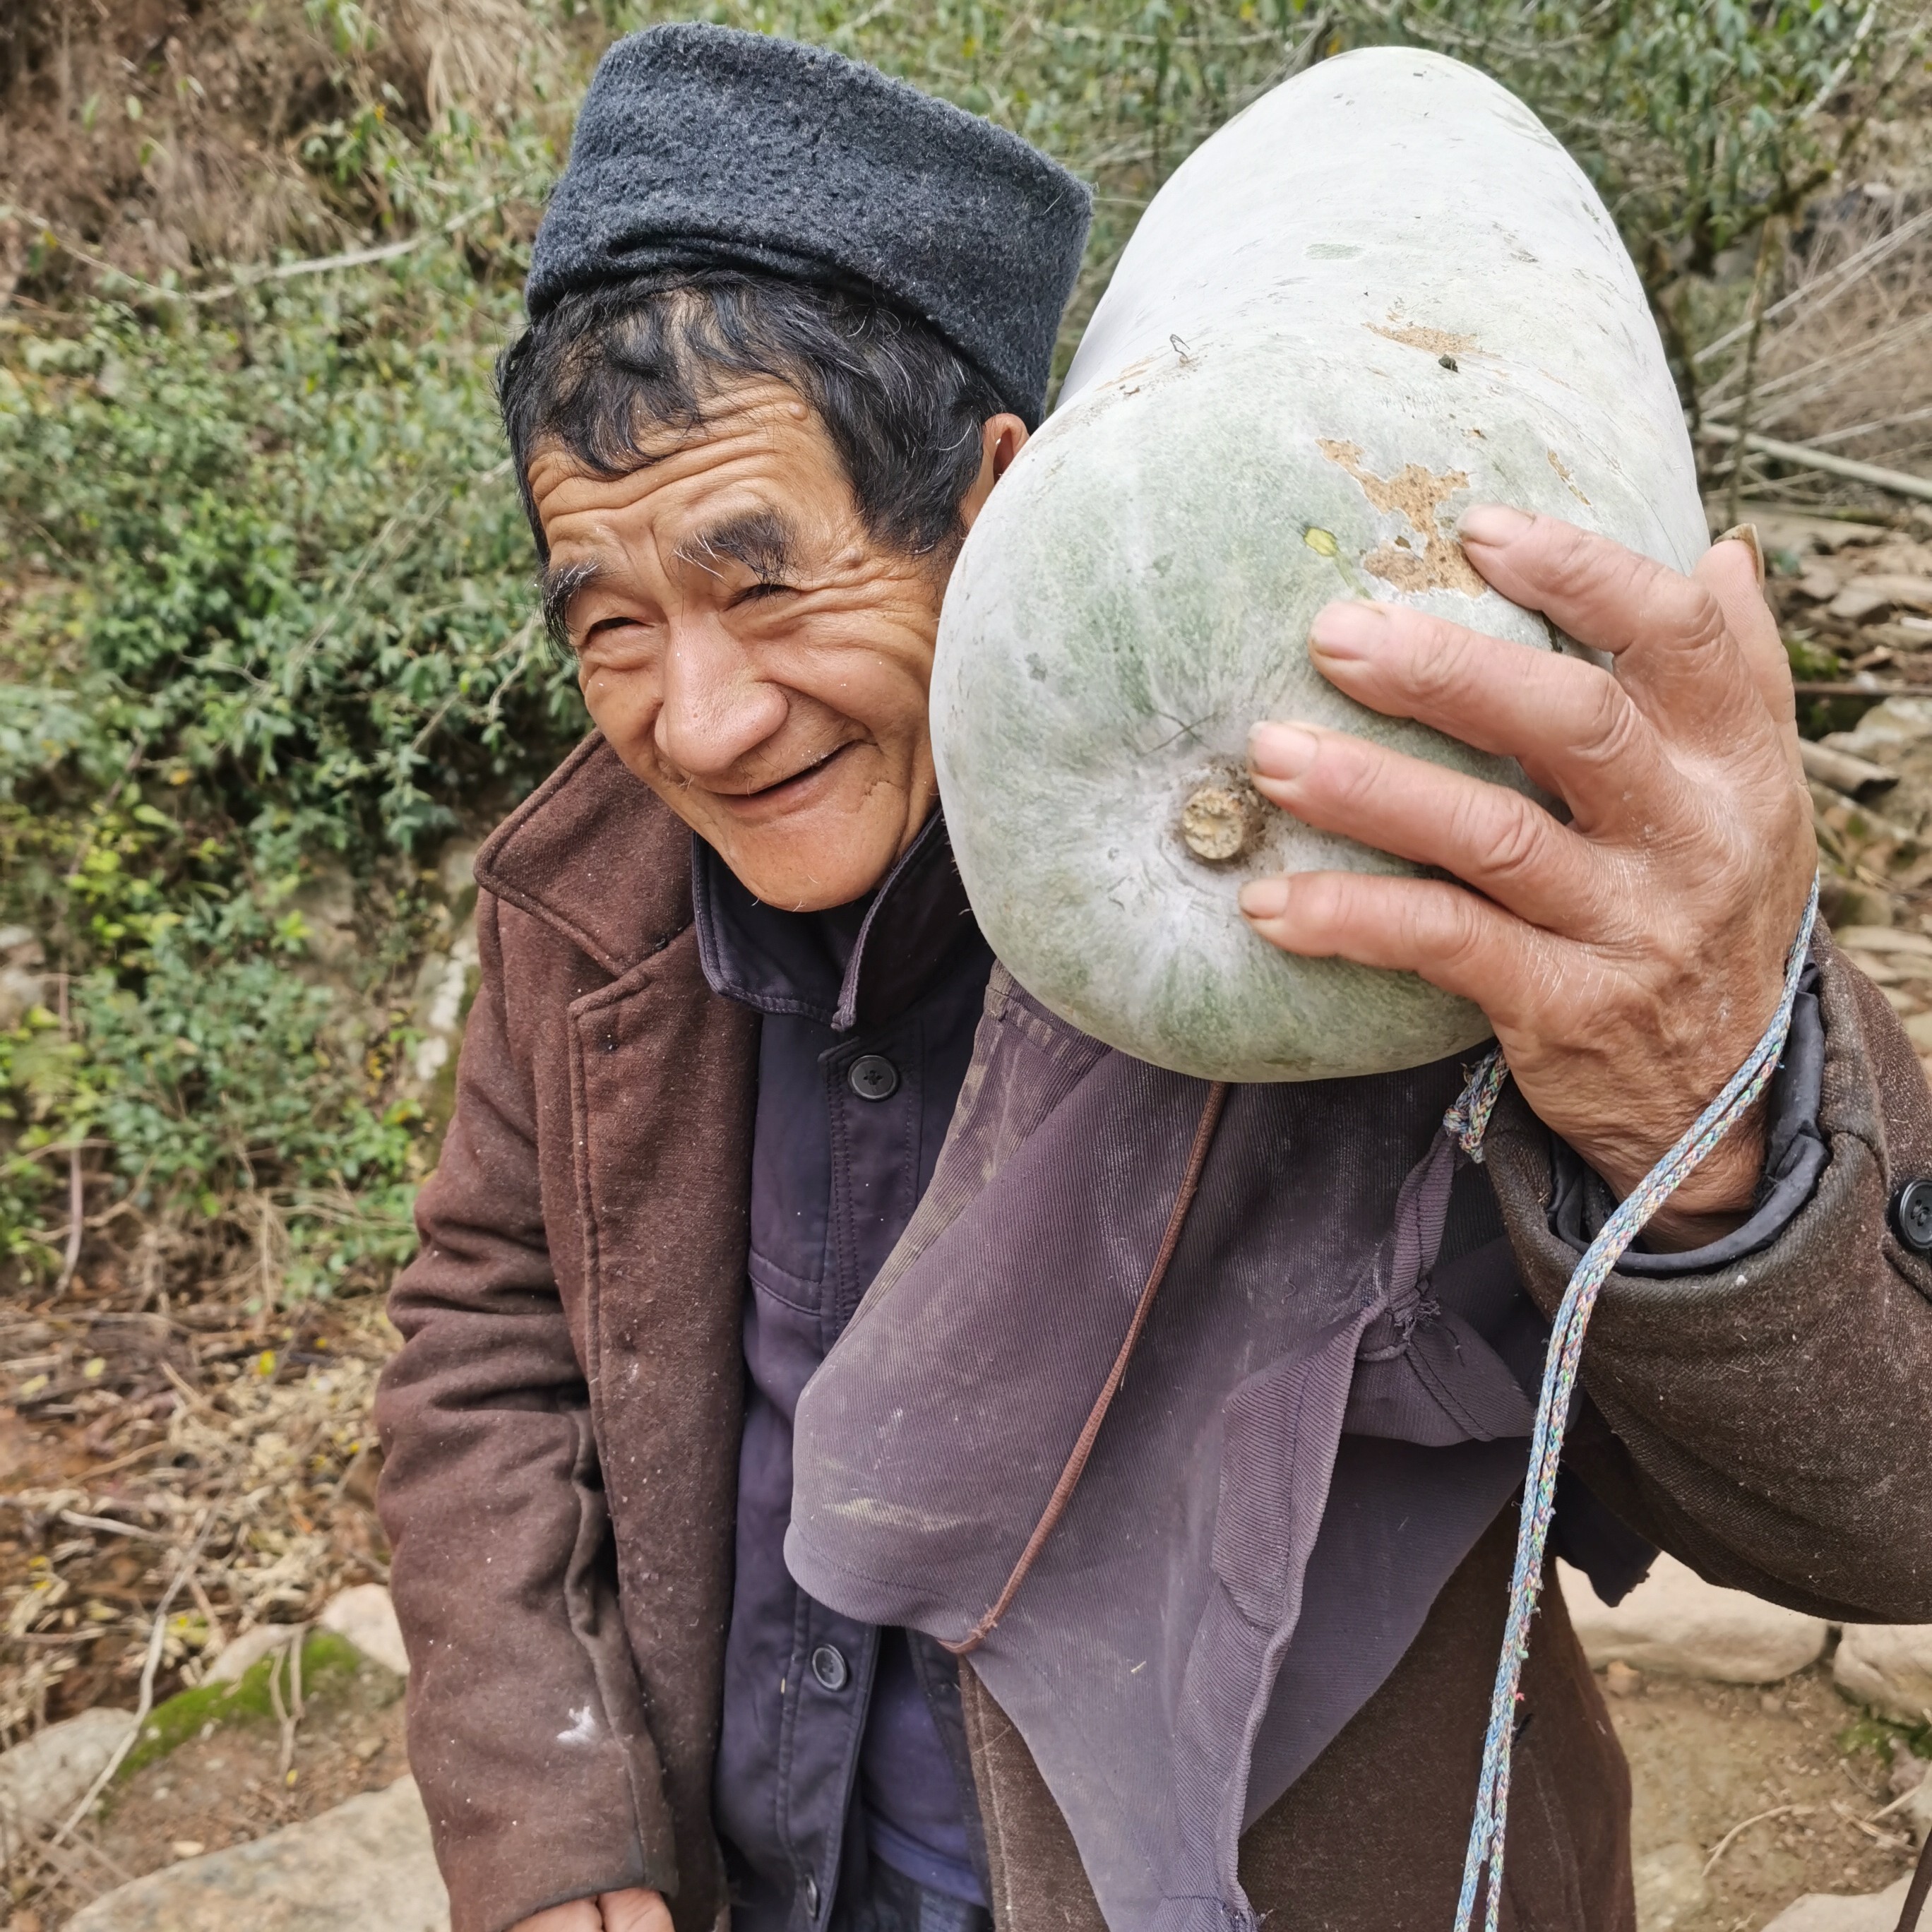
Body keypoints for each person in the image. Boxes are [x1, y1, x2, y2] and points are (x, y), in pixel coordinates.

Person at [374, 23, 1932, 1932]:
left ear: (994, 498)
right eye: (612, 622)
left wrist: (1707, 1118)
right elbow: (490, 1335)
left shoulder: (1368, 860)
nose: (696, 720)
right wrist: (555, 1826)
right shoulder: (599, 903)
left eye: (764, 584)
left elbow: (1891, 1515)